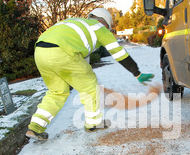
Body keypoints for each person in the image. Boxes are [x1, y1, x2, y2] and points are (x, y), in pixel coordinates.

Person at [26, 8, 155, 141]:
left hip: (40, 52)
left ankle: (36, 126)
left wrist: (73, 79)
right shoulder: (99, 28)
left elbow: (82, 63)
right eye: (108, 27)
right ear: (105, 23)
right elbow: (119, 53)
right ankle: (93, 123)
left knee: (57, 92)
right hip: (63, 51)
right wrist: (137, 73)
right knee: (90, 87)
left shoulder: (75, 23)